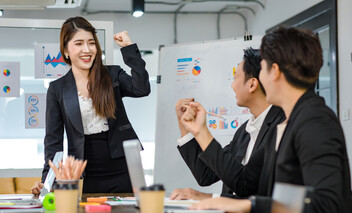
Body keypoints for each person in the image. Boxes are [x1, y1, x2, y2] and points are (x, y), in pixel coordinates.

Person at [189, 27, 352, 213]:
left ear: (274, 72)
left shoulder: (315, 121)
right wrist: (200, 132)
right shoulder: (286, 124)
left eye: (263, 69)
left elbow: (326, 204)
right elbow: (246, 183)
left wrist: (253, 206)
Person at [31, 16, 150, 194]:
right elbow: (53, 142)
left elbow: (141, 89)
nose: (86, 50)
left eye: (91, 43)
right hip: (83, 174)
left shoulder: (112, 75)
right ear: (66, 51)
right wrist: (46, 183)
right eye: (78, 43)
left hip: (124, 169)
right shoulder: (57, 89)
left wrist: (129, 49)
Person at [170, 48, 285, 200]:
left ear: (252, 84)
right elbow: (205, 174)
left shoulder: (282, 126)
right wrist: (185, 127)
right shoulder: (244, 132)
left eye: (235, 77)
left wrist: (206, 197)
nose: (232, 86)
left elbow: (255, 193)